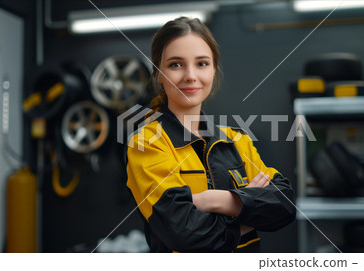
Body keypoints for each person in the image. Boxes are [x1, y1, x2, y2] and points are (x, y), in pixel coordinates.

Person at [126, 16, 295, 252]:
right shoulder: (147, 144)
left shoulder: (237, 141)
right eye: (175, 64)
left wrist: (217, 200)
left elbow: (284, 204)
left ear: (214, 70)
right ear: (158, 74)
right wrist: (248, 211)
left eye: (201, 63)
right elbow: (184, 233)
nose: (190, 75)